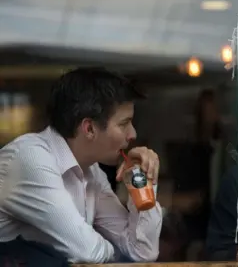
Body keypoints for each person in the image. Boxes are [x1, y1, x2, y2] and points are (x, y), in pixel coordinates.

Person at [0, 67, 163, 263]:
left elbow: (143, 252)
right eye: (124, 123)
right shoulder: (31, 158)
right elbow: (88, 252)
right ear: (89, 128)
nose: (133, 134)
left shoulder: (91, 171)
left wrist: (145, 180)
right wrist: (118, 256)